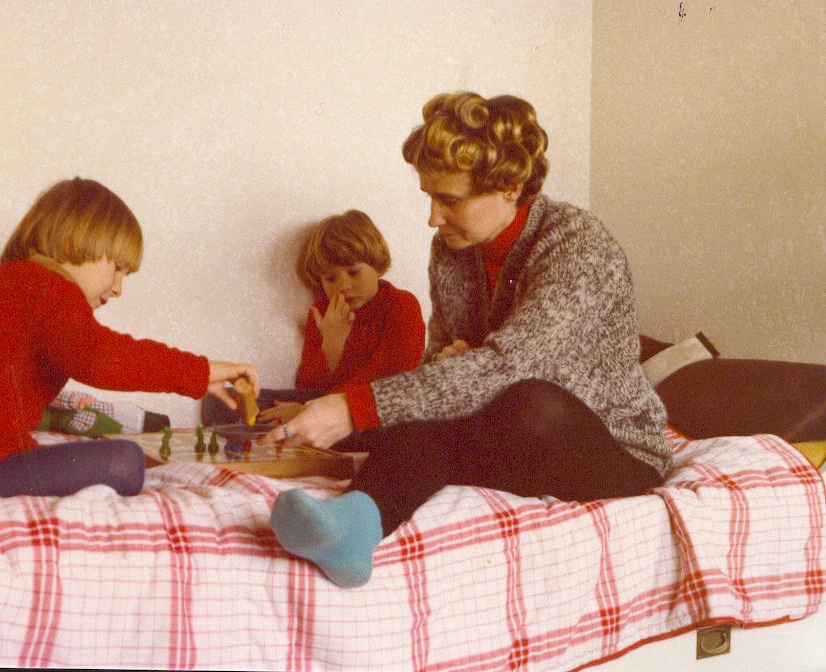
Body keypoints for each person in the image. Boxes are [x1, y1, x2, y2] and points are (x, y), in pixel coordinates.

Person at [262, 92, 672, 588]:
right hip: (509, 433)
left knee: (528, 401)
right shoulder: (453, 249)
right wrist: (451, 367)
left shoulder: (579, 246)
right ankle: (355, 526)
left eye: (450, 200)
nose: (433, 218)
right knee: (424, 412)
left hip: (613, 451)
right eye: (430, 198)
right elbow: (444, 367)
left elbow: (510, 367)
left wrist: (355, 408)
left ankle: (366, 506)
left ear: (510, 188)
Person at [0, 177, 259, 497]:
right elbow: (103, 359)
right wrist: (200, 371)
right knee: (126, 462)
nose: (118, 289)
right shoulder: (48, 290)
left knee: (87, 454)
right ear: (77, 241)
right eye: (117, 269)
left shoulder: (14, 283)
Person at [202, 209, 425, 426]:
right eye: (330, 278)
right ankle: (297, 427)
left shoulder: (401, 304)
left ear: (377, 266)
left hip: (374, 408)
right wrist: (331, 345)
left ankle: (303, 426)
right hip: (324, 401)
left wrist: (313, 410)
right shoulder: (322, 312)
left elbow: (389, 379)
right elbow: (306, 384)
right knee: (220, 401)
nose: (343, 286)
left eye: (353, 272)